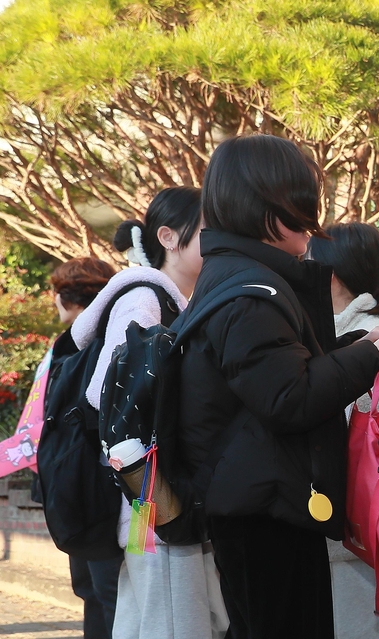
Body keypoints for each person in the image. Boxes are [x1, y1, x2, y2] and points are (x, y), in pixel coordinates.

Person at [177, 134, 379, 639]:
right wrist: (371, 355)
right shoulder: (252, 294)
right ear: (271, 207)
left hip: (262, 503)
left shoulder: (238, 279)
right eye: (303, 205)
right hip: (267, 513)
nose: (312, 227)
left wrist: (363, 344)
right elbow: (289, 397)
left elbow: (282, 372)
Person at [71, 187, 230, 639]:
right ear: (169, 237)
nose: (219, 241)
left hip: (164, 503)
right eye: (207, 231)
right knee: (172, 625)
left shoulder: (180, 302)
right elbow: (108, 398)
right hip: (156, 506)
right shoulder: (144, 301)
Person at [306, 222, 379, 639]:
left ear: (331, 273)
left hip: (362, 526)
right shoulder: (342, 330)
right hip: (351, 527)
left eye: (309, 260)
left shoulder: (373, 332)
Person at [45, 256, 118, 639]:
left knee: (105, 593)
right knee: (95, 592)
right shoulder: (84, 343)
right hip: (86, 486)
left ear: (66, 297)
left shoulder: (86, 347)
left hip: (92, 489)